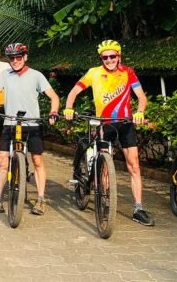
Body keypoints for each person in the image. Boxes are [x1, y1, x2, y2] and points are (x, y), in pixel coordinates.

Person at [63, 39, 153, 226]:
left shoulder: (128, 73)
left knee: (134, 165)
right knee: (104, 165)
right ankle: (104, 200)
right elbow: (73, 92)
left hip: (126, 123)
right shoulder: (93, 73)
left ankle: (138, 208)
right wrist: (69, 107)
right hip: (104, 124)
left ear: (118, 56)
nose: (109, 60)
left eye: (113, 56)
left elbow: (141, 97)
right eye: (105, 57)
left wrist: (140, 111)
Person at [0, 43, 59, 217]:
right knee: (2, 162)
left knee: (37, 161)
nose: (15, 61)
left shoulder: (36, 75)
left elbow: (53, 96)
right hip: (10, 122)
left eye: (18, 57)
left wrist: (53, 112)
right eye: (11, 58)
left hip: (32, 124)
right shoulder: (5, 75)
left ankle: (40, 199)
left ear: (25, 57)